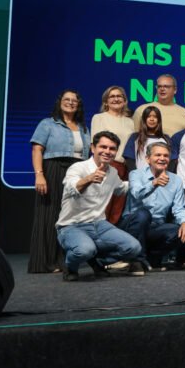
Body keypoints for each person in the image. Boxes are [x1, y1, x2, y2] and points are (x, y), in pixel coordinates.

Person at [55, 131, 141, 281]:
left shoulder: (113, 172)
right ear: (93, 148)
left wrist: (150, 182)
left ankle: (98, 261)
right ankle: (70, 267)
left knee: (134, 248)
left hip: (99, 224)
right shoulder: (78, 168)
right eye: (103, 147)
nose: (107, 151)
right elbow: (71, 187)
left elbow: (121, 188)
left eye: (112, 148)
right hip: (71, 225)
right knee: (84, 250)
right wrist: (89, 179)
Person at [29, 89, 90, 273]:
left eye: (74, 100)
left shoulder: (83, 127)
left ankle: (62, 260)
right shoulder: (47, 124)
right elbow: (37, 150)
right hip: (53, 169)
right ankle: (44, 262)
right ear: (60, 102)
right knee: (49, 214)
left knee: (68, 217)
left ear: (78, 105)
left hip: (75, 172)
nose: (70, 102)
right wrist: (39, 174)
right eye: (67, 99)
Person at [118, 142, 185, 273]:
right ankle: (137, 260)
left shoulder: (176, 180)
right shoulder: (136, 174)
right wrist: (154, 183)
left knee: (180, 231)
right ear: (148, 159)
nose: (162, 158)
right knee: (143, 214)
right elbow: (136, 193)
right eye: (158, 155)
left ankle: (152, 258)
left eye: (166, 156)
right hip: (132, 225)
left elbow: (179, 208)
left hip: (156, 227)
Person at [90, 85, 135, 224]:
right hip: (107, 165)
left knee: (118, 206)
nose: (116, 99)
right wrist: (101, 166)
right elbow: (96, 143)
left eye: (119, 96)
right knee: (104, 204)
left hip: (125, 166)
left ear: (125, 100)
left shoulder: (130, 121)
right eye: (112, 96)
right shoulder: (99, 118)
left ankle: (112, 232)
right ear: (106, 101)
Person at [122, 106, 172, 172]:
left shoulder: (166, 138)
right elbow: (129, 159)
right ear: (144, 119)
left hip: (161, 176)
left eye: (155, 117)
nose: (152, 119)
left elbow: (171, 160)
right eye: (149, 116)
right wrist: (135, 175)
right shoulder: (135, 137)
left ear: (159, 120)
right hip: (140, 176)